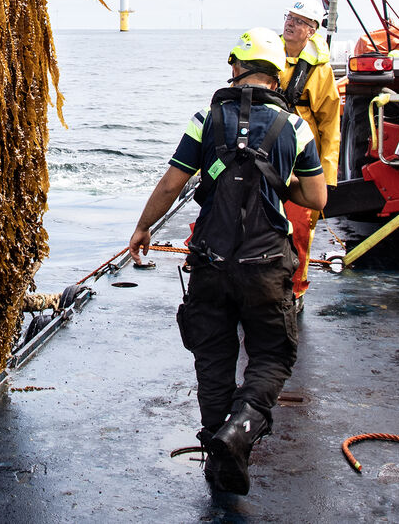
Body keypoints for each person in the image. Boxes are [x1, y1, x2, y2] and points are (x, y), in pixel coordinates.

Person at [128, 28, 326, 495]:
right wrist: (280, 184)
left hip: (211, 263)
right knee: (273, 354)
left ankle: (217, 460)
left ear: (236, 68)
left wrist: (143, 228)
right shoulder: (295, 128)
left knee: (213, 358)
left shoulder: (205, 119)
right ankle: (240, 429)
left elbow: (172, 184)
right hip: (266, 265)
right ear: (277, 77)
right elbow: (316, 196)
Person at [278, 0, 343, 310]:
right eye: (289, 17)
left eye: (299, 20)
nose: (290, 23)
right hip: (267, 154)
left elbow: (330, 125)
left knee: (300, 228)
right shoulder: (268, 55)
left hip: (302, 160)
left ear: (312, 30)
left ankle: (295, 290)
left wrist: (327, 175)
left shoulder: (320, 71)